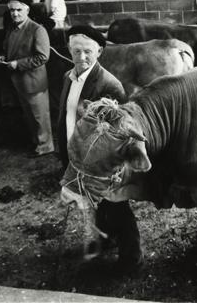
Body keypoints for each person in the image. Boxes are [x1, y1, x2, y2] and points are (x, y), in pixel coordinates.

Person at [57, 24, 142, 272]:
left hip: (99, 163)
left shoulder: (110, 85)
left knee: (116, 206)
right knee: (96, 207)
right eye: (75, 51)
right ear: (69, 50)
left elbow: (118, 133)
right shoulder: (68, 78)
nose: (81, 58)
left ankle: (132, 258)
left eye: (88, 52)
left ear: (100, 52)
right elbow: (65, 116)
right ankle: (107, 239)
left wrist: (104, 167)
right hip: (75, 156)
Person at [0, 0, 53, 158]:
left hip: (33, 80)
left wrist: (17, 64)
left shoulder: (37, 29)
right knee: (29, 115)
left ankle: (46, 146)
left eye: (18, 10)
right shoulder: (12, 28)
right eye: (12, 10)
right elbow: (8, 48)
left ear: (27, 10)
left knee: (39, 116)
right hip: (20, 81)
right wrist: (3, 56)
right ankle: (37, 142)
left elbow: (43, 57)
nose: (15, 14)